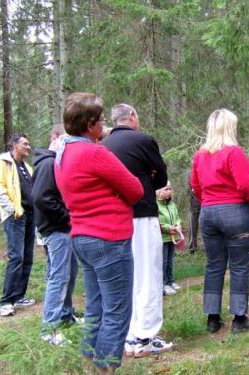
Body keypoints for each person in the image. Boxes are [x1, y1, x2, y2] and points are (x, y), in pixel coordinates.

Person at [54, 93, 143, 373]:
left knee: (95, 309)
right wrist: (117, 193)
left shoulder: (62, 152)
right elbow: (136, 190)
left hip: (81, 236)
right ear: (90, 123)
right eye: (101, 120)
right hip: (108, 239)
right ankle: (104, 370)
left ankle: (89, 365)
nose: (104, 125)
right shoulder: (94, 153)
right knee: (116, 312)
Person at [101, 103, 172, 358]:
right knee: (149, 275)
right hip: (141, 214)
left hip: (113, 218)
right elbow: (162, 178)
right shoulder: (143, 140)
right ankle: (146, 336)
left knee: (126, 277)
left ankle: (129, 334)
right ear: (132, 116)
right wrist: (146, 178)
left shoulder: (104, 145)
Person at [190, 108, 249, 334]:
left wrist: (210, 203)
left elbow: (196, 186)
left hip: (209, 213)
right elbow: (245, 185)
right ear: (230, 127)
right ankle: (239, 320)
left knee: (214, 264)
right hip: (235, 211)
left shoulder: (199, 155)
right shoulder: (234, 153)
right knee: (239, 266)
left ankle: (213, 318)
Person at [32, 124, 78, 345]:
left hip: (62, 228)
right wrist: (67, 217)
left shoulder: (55, 163)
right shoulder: (48, 163)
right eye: (67, 141)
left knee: (68, 273)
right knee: (58, 277)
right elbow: (42, 199)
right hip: (56, 229)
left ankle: (66, 315)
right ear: (56, 139)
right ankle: (49, 329)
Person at [0, 133, 36, 317]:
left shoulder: (26, 167)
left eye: (28, 144)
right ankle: (6, 301)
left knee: (27, 257)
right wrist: (13, 209)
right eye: (25, 144)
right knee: (16, 257)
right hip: (15, 216)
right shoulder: (4, 162)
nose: (28, 147)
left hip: (30, 215)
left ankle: (19, 296)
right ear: (14, 145)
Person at [157, 181, 182, 296]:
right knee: (163, 262)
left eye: (170, 189)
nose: (169, 191)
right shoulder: (156, 205)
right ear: (159, 191)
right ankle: (163, 284)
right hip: (162, 238)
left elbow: (177, 217)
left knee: (170, 261)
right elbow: (157, 222)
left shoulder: (172, 204)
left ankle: (171, 281)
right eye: (166, 189)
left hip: (173, 237)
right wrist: (167, 227)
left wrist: (178, 224)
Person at [187, 182, 201, 254]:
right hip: (194, 201)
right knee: (192, 225)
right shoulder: (192, 173)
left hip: (206, 200)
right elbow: (190, 189)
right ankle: (192, 247)